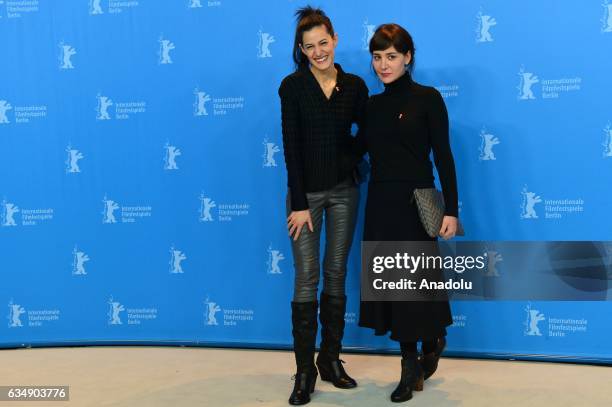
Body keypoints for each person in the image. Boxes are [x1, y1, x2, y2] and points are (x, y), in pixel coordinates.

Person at [357, 24, 459, 403]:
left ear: (408, 57)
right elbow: (357, 151)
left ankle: (417, 357)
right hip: (381, 203)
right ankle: (413, 359)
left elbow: (444, 156)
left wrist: (451, 209)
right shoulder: (371, 105)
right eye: (378, 57)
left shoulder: (428, 99)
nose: (383, 64)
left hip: (418, 201)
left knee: (413, 289)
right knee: (394, 288)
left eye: (392, 57)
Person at [278, 6, 368, 406]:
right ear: (301, 48)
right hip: (306, 198)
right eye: (310, 46)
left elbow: (366, 136)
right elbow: (292, 149)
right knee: (307, 276)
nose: (318, 51)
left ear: (335, 40)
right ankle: (303, 372)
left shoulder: (354, 86)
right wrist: (298, 203)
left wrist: (347, 162)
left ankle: (330, 360)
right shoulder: (292, 87)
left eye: (324, 43)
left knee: (335, 272)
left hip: (345, 192)